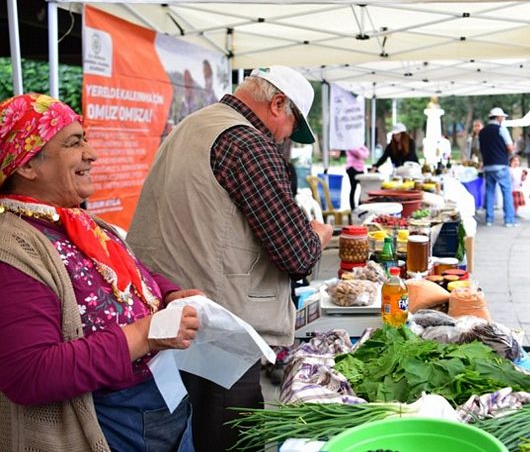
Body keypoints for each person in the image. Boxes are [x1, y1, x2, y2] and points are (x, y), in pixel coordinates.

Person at [127, 66, 334, 452]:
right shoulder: (248, 143)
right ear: (277, 104)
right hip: (220, 333)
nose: (286, 137)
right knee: (226, 438)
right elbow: (299, 255)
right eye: (291, 125)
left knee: (190, 435)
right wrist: (318, 237)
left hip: (171, 317)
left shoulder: (192, 126)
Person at [0, 93, 202, 451]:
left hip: (161, 398)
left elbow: (132, 274)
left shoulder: (81, 222)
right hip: (108, 420)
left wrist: (168, 294)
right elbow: (29, 373)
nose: (91, 154)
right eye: (74, 143)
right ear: (28, 165)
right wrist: (142, 336)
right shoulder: (12, 249)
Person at [479, 107, 517, 227]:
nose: (503, 119)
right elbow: (510, 148)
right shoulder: (502, 129)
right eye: (502, 117)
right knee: (506, 191)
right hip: (501, 165)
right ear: (498, 117)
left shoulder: (482, 132)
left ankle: (489, 219)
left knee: (490, 192)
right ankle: (509, 220)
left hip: (487, 165)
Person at [345, 144, 369, 209]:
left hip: (360, 168)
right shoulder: (351, 144)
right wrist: (362, 153)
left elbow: (366, 153)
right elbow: (358, 154)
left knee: (364, 187)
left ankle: (360, 204)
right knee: (353, 187)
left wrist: (362, 154)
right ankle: (353, 207)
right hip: (352, 168)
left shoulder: (360, 144)